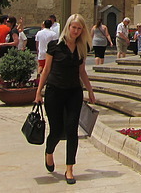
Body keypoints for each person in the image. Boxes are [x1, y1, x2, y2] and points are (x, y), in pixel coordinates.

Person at [35, 14, 95, 185]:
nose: (76, 31)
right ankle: (49, 152)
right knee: (56, 130)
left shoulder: (82, 48)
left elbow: (82, 71)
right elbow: (46, 70)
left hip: (73, 92)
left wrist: (90, 91)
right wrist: (39, 92)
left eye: (79, 28)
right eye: (73, 27)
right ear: (68, 27)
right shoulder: (55, 46)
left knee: (71, 130)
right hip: (54, 92)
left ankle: (69, 169)